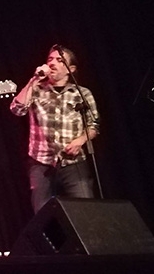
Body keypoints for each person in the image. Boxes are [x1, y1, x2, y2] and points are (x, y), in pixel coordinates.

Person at [9, 45, 100, 214]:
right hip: (41, 164)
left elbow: (94, 125)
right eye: (50, 59)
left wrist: (80, 141)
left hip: (73, 164)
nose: (52, 63)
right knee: (43, 217)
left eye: (59, 60)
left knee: (86, 213)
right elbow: (17, 109)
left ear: (70, 69)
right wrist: (34, 79)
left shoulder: (82, 93)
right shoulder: (36, 89)